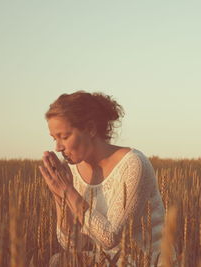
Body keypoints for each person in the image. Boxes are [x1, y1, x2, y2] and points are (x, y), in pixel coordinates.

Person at [38, 91, 166, 266]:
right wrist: (58, 195)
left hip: (145, 261)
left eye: (64, 137)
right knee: (59, 261)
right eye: (54, 138)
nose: (58, 147)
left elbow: (109, 238)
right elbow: (74, 244)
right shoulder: (73, 170)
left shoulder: (133, 164)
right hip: (108, 262)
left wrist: (68, 191)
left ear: (90, 129)